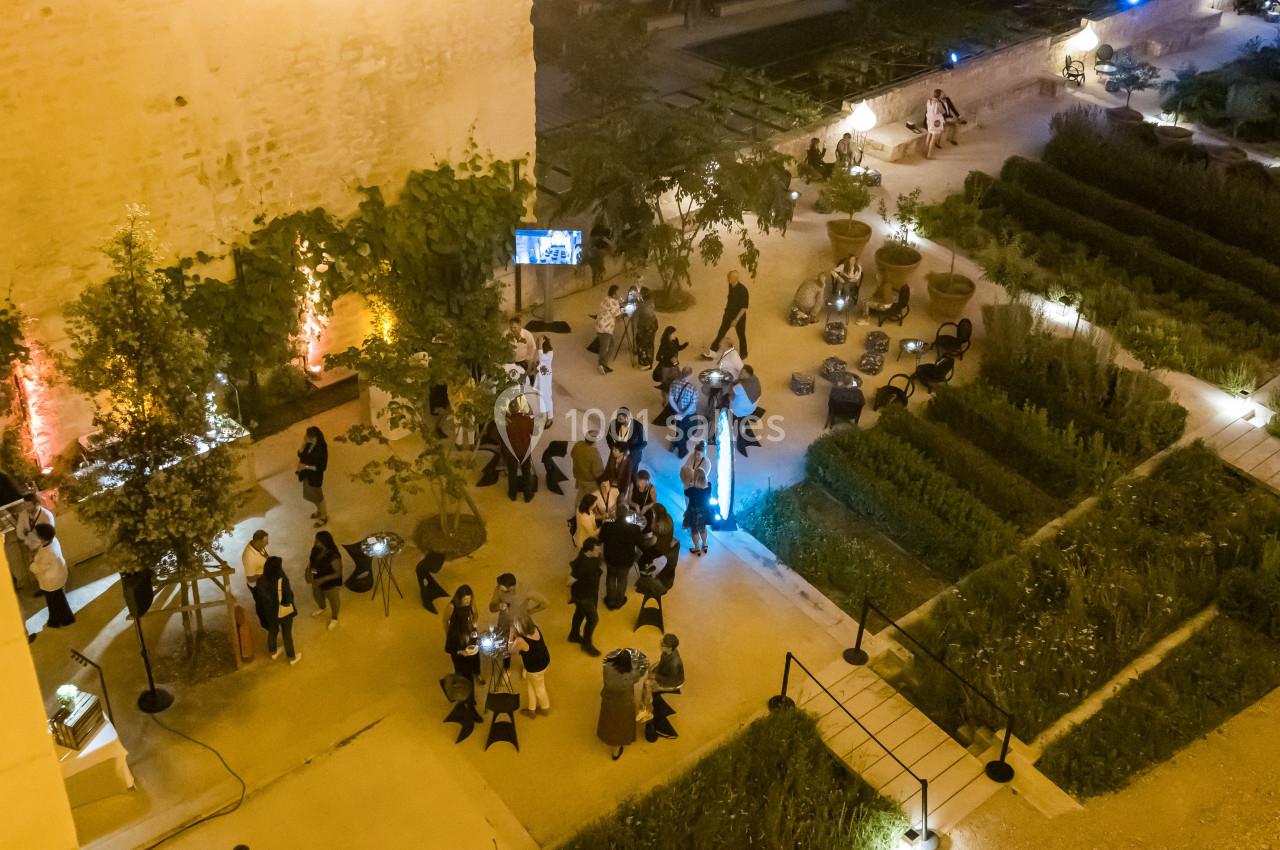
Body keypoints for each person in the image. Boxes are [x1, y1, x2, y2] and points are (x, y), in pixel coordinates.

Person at [598, 650, 645, 760]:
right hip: (624, 704)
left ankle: (607, 737)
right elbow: (637, 676)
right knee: (621, 726)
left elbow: (607, 662)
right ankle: (616, 751)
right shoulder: (632, 675)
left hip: (609, 700)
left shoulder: (607, 668)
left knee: (609, 720)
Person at [30, 523, 74, 629]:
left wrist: (32, 564)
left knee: (56, 601)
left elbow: (38, 568)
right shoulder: (53, 541)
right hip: (57, 574)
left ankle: (64, 619)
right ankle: (57, 619)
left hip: (52, 580)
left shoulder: (48, 553)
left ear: (43, 538)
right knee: (56, 599)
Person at [702, 270, 750, 361]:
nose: (728, 279)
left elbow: (744, 308)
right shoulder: (731, 286)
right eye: (729, 277)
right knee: (721, 334)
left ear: (735, 279)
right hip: (728, 316)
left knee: (741, 335)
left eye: (730, 278)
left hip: (739, 319)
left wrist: (736, 320)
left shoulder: (743, 290)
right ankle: (712, 353)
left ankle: (744, 353)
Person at [261, 556, 300, 664]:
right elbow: (287, 598)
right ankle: (292, 657)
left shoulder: (261, 580)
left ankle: (273, 652)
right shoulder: (282, 580)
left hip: (270, 612)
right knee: (286, 634)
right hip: (283, 612)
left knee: (272, 631)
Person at [600, 514, 645, 610]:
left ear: (616, 515)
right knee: (622, 579)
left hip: (610, 558)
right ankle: (619, 602)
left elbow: (600, 539)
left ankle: (610, 601)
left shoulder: (607, 526)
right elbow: (641, 543)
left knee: (610, 578)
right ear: (626, 517)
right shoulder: (634, 528)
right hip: (626, 560)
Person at [646, 633, 685, 741]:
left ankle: (662, 725)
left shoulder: (673, 663)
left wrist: (655, 679)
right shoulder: (666, 653)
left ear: (669, 648)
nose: (660, 644)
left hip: (673, 682)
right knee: (649, 682)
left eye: (662, 644)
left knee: (652, 692)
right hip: (664, 675)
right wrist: (653, 672)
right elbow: (661, 665)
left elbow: (670, 680)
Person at [568, 538, 603, 656]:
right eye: (597, 550)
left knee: (579, 614)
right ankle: (586, 644)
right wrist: (574, 594)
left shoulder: (592, 556)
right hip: (584, 597)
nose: (600, 551)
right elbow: (569, 581)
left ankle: (574, 635)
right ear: (589, 551)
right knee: (593, 619)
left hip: (591, 593)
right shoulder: (582, 564)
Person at [511, 616, 551, 717]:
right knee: (531, 684)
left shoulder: (520, 640)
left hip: (535, 668)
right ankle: (531, 709)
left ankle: (545, 708)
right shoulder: (535, 628)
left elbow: (511, 651)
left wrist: (511, 635)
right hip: (544, 659)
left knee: (539, 688)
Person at [500, 397, 537, 503]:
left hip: (511, 452)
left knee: (512, 473)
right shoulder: (526, 419)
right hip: (524, 450)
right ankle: (528, 495)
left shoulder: (507, 421)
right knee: (526, 472)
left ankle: (512, 494)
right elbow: (534, 431)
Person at [14, 493, 54, 589]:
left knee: (49, 569)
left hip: (44, 547)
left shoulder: (46, 515)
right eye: (25, 505)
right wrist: (26, 539)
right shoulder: (23, 514)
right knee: (38, 571)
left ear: (36, 504)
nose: (26, 508)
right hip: (31, 547)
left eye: (29, 505)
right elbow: (19, 531)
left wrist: (31, 535)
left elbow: (49, 534)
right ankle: (44, 588)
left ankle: (53, 587)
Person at [445, 585, 482, 682]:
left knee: (475, 653)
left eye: (469, 600)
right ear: (459, 598)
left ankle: (477, 672)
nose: (468, 602)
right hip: (457, 633)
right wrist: (448, 634)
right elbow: (445, 620)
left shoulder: (471, 603)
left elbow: (476, 613)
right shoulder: (451, 606)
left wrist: (474, 622)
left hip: (469, 631)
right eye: (465, 600)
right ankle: (462, 678)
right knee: (460, 657)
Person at [307, 530, 343, 629]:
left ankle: (334, 618)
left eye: (317, 540)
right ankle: (322, 607)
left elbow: (338, 573)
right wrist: (311, 574)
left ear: (324, 542)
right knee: (317, 596)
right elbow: (313, 564)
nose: (315, 542)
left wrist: (323, 579)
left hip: (330, 583)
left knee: (334, 600)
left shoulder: (334, 556)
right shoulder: (315, 549)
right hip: (317, 580)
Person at [297, 426, 329, 527]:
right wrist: (303, 443)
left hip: (315, 477)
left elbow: (321, 467)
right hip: (307, 475)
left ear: (313, 437)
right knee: (312, 496)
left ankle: (324, 516)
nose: (305, 437)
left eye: (307, 436)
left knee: (318, 497)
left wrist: (305, 466)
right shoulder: (309, 444)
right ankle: (319, 511)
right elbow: (301, 454)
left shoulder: (321, 448)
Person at [667, 367, 699, 458]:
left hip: (677, 412)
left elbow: (670, 399)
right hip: (689, 414)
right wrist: (683, 413)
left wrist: (678, 411)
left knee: (680, 428)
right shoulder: (693, 389)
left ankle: (674, 443)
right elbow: (692, 404)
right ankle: (682, 451)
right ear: (691, 375)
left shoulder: (674, 383)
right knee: (692, 429)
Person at [241, 529, 271, 627]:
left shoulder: (258, 546)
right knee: (262, 604)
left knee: (268, 601)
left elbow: (265, 556)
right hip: (257, 585)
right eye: (265, 542)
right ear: (258, 541)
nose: (267, 544)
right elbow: (250, 578)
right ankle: (266, 625)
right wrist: (265, 574)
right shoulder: (249, 557)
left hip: (263, 579)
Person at [607, 407, 647, 477]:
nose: (618, 421)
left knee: (630, 476)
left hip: (632, 456)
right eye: (618, 418)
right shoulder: (614, 423)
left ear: (627, 417)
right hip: (617, 454)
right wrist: (613, 448)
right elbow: (608, 437)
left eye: (620, 419)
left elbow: (644, 443)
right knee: (613, 473)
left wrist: (629, 451)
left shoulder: (638, 426)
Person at [593, 285, 622, 375]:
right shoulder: (614, 302)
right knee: (605, 347)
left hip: (600, 326)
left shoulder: (606, 298)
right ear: (614, 294)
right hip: (606, 328)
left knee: (610, 345)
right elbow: (618, 318)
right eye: (618, 292)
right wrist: (623, 312)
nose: (620, 294)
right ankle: (601, 365)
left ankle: (603, 363)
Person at [571, 431, 605, 505]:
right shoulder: (594, 454)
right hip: (589, 481)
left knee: (580, 494)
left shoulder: (578, 445)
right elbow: (597, 472)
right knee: (589, 498)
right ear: (595, 441)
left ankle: (577, 509)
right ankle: (582, 512)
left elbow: (572, 454)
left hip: (579, 476)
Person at [684, 468, 712, 556]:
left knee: (694, 530)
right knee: (703, 528)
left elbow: (685, 492)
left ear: (695, 478)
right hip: (704, 512)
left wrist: (690, 483)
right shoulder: (709, 486)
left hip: (693, 513)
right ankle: (704, 545)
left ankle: (697, 548)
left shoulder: (691, 490)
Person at [653, 326, 687, 391]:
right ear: (669, 334)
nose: (676, 334)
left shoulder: (675, 340)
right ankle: (665, 399)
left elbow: (678, 348)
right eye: (674, 333)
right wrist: (671, 359)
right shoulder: (664, 342)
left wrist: (685, 345)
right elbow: (660, 356)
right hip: (666, 365)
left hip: (674, 363)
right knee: (665, 384)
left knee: (676, 379)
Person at [634, 287, 658, 370]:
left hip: (645, 327)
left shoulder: (642, 305)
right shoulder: (651, 301)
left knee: (641, 343)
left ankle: (645, 363)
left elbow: (635, 313)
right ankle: (650, 362)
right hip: (653, 324)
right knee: (650, 344)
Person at [535, 336, 555, 427]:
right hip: (541, 375)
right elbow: (541, 361)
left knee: (547, 396)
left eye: (538, 343)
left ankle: (550, 418)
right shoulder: (543, 351)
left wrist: (540, 345)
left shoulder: (550, 352)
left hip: (545, 376)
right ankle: (541, 414)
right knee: (539, 394)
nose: (537, 345)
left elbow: (542, 357)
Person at [925, 89, 946, 159]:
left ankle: (925, 151)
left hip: (929, 119)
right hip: (935, 121)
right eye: (942, 94)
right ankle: (929, 155)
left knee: (929, 134)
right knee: (933, 138)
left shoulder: (929, 100)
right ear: (939, 95)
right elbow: (943, 112)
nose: (943, 95)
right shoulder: (938, 103)